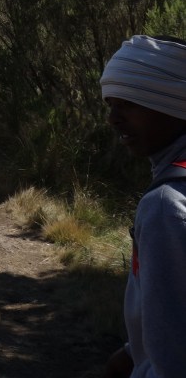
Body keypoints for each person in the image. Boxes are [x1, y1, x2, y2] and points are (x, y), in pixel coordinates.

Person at [100, 35, 186, 378]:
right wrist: (131, 353)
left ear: (174, 105)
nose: (113, 119)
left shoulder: (165, 206)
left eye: (129, 104)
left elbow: (173, 361)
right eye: (111, 104)